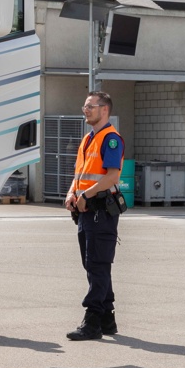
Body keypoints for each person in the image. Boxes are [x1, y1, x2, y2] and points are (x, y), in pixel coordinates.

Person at [64, 91, 124, 341]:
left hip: (100, 211)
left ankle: (92, 322)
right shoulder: (89, 139)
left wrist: (86, 195)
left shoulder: (110, 138)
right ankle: (107, 319)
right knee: (93, 265)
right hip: (86, 212)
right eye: (85, 106)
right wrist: (71, 193)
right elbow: (80, 174)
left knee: (98, 266)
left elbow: (113, 175)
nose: (86, 110)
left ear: (105, 110)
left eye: (91, 106)